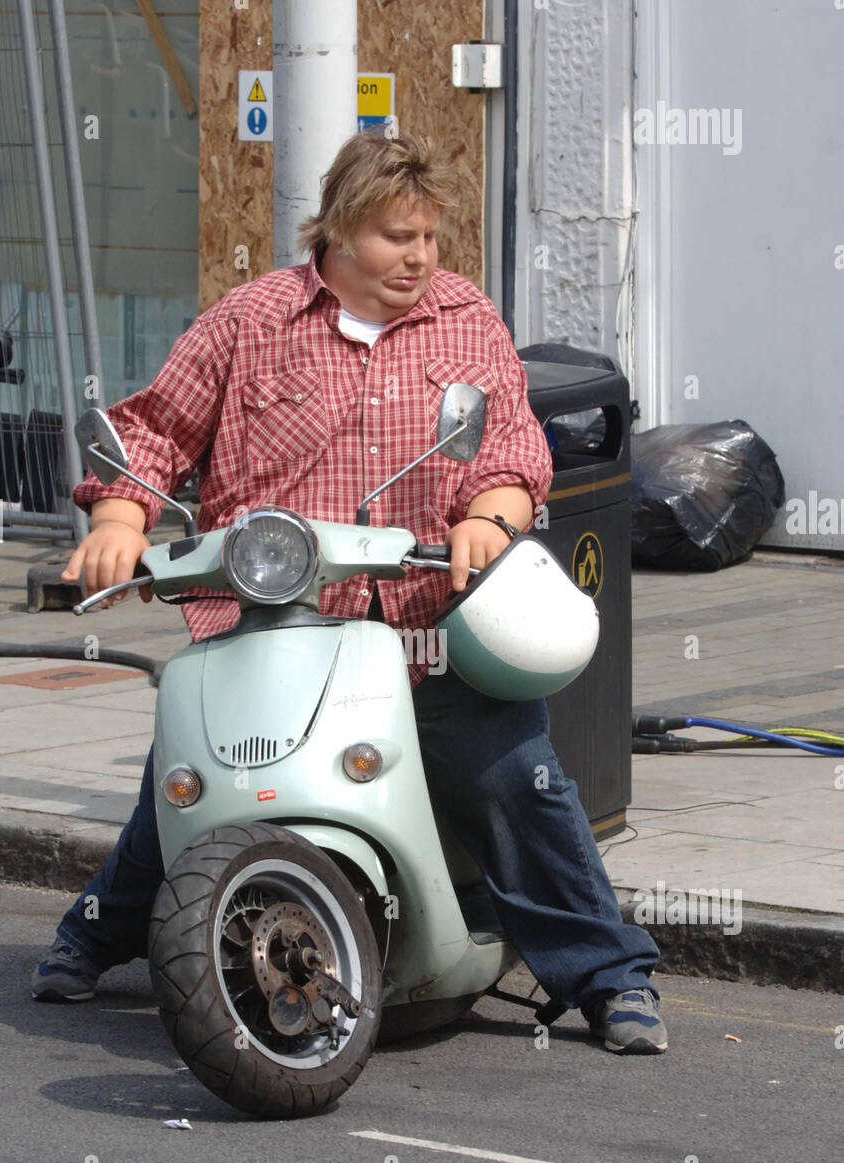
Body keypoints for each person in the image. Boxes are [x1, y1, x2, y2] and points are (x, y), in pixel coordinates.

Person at [32, 131, 666, 1055]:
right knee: (189, 780)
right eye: (394, 237)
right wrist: (120, 520)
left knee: (515, 779)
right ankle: (96, 931)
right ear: (334, 230)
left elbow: (509, 448)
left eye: (429, 239)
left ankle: (610, 977)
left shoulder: (464, 320)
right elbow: (156, 429)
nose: (418, 258)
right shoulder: (250, 319)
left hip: (421, 627)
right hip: (270, 622)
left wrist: (487, 518)